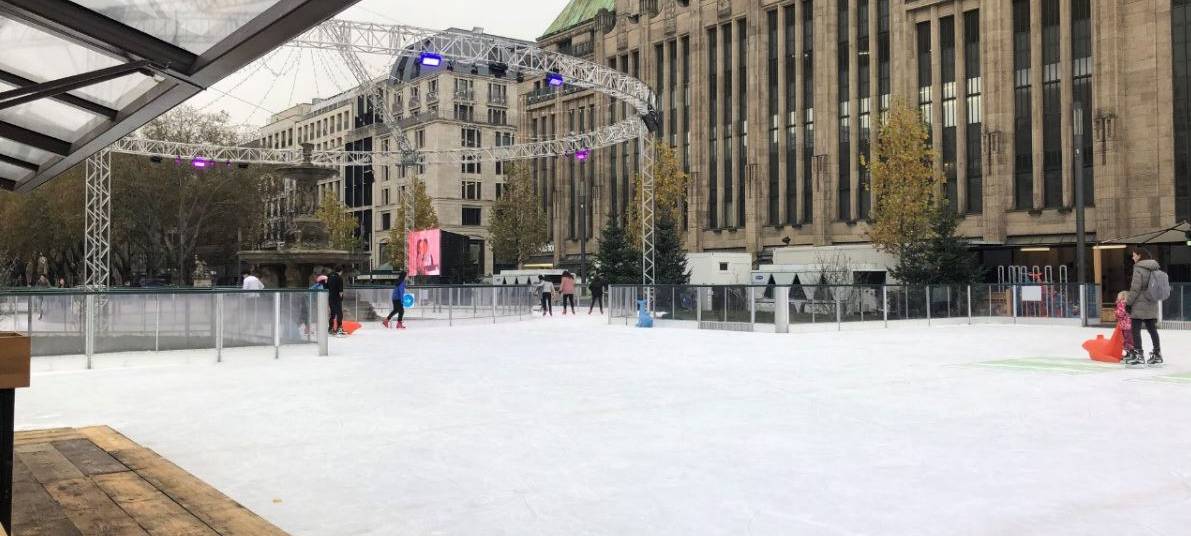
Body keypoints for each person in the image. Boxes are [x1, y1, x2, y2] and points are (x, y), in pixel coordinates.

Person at [1124, 248, 1162, 366]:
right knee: (1152, 329)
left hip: (1139, 304)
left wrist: (1128, 303)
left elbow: (1135, 288)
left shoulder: (1138, 268)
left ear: (1140, 256)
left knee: (1135, 329)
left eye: (1134, 255)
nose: (1133, 257)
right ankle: (1157, 354)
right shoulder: (1155, 268)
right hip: (1152, 302)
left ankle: (1139, 356)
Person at [1115, 291, 1134, 360]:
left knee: (1126, 340)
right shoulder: (1130, 304)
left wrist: (1116, 313)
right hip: (1130, 325)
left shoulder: (1121, 303)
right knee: (1130, 340)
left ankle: (1127, 353)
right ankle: (1131, 352)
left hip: (1125, 326)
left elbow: (1121, 313)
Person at [327, 267, 345, 336]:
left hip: (331, 298)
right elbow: (341, 291)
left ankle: (330, 328)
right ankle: (339, 328)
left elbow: (326, 287)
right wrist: (341, 298)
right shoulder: (339, 278)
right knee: (339, 314)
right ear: (340, 271)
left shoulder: (329, 278)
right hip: (337, 298)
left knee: (333, 313)